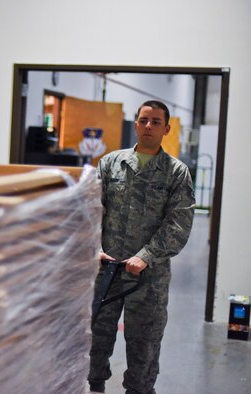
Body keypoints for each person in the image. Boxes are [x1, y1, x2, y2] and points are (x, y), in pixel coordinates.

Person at [88, 100, 195, 393]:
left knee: (144, 345)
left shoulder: (176, 172)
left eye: (156, 122)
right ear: (135, 124)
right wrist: (93, 248)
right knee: (95, 338)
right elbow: (91, 211)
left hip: (148, 277)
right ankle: (93, 385)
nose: (149, 126)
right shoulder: (110, 163)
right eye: (144, 120)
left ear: (166, 129)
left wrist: (146, 256)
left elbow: (179, 223)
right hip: (105, 270)